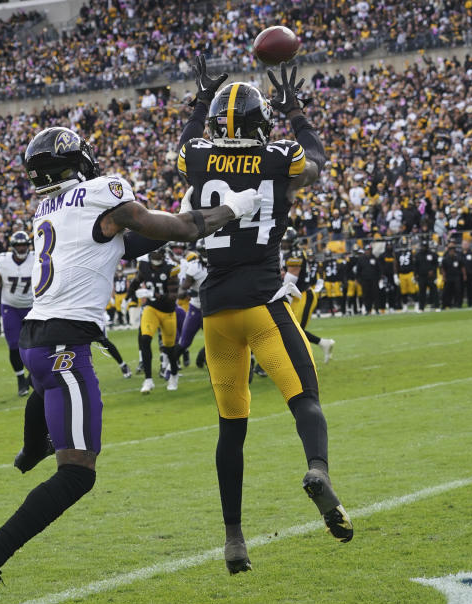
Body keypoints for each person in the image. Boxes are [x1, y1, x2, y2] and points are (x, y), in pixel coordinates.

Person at [0, 125, 260, 604]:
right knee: (77, 473)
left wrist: (190, 204)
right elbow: (180, 230)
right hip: (63, 344)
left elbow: (128, 239)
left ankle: (33, 447)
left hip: (38, 340)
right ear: (77, 162)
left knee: (49, 393)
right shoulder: (102, 191)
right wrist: (238, 206)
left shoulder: (48, 209)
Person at [174, 58, 353, 575]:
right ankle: (316, 470)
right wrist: (296, 110)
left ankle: (234, 539)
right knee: (305, 400)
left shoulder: (199, 155)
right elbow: (317, 160)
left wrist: (199, 101)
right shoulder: (279, 157)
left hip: (215, 314)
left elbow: (186, 144)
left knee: (232, 429)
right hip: (264, 301)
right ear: (262, 124)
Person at [0, 230, 35, 396]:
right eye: (18, 245)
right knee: (13, 345)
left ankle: (32, 378)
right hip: (10, 307)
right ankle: (21, 379)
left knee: (35, 346)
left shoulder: (37, 258)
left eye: (24, 245)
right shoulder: (3, 262)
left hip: (32, 307)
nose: (21, 248)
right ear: (13, 247)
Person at [128, 248, 181, 392]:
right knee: (145, 339)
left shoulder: (171, 269)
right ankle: (148, 380)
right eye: (154, 253)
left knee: (169, 348)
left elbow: (172, 297)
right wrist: (130, 296)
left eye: (159, 254)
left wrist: (153, 294)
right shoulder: (144, 266)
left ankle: (174, 375)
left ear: (163, 255)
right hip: (151, 309)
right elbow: (135, 282)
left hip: (168, 312)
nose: (156, 256)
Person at [282, 228, 335, 360]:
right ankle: (323, 343)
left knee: (293, 331)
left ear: (293, 242)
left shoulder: (295, 254)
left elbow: (289, 282)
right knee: (288, 329)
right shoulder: (288, 253)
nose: (284, 245)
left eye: (287, 242)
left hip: (303, 296)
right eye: (283, 242)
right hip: (295, 295)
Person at [415, 240, 440, 312]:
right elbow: (415, 266)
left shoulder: (432, 254)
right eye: (423, 246)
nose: (424, 248)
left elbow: (436, 264)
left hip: (430, 277)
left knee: (434, 291)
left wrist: (433, 271)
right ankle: (421, 308)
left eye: (425, 246)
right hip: (421, 276)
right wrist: (416, 274)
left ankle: (437, 306)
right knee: (421, 293)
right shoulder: (418, 255)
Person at [397, 236, 418, 311]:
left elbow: (413, 263)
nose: (404, 246)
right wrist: (396, 275)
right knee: (403, 291)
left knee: (413, 290)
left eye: (405, 245)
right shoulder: (398, 253)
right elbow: (396, 264)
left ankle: (416, 303)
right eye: (403, 245)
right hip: (401, 274)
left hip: (410, 273)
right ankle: (405, 305)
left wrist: (414, 274)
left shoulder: (410, 252)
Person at [440, 244, 464, 309]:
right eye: (450, 250)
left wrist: (464, 275)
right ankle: (446, 304)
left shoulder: (458, 258)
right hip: (448, 277)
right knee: (447, 291)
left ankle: (458, 304)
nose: (452, 252)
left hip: (456, 276)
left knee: (457, 291)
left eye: (453, 250)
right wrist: (444, 277)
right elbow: (443, 269)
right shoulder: (445, 259)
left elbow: (462, 267)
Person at [460, 239, 472, 307]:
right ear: (462, 245)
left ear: (468, 245)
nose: (465, 245)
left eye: (466, 244)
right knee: (460, 289)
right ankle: (459, 303)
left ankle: (470, 303)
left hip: (470, 275)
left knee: (470, 290)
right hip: (460, 275)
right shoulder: (459, 254)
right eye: (464, 244)